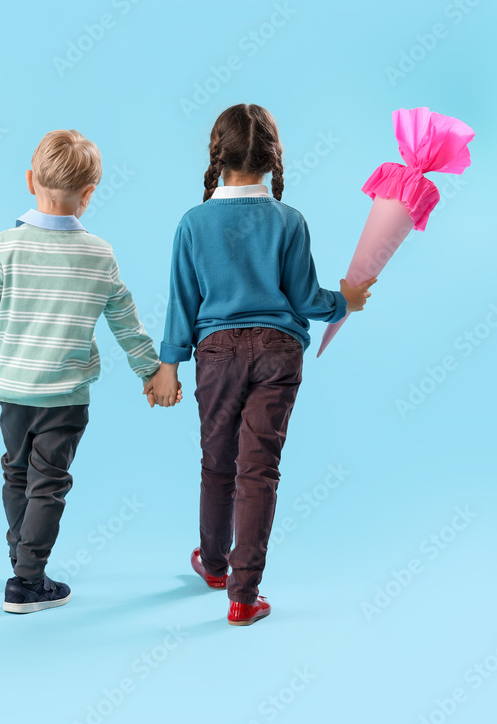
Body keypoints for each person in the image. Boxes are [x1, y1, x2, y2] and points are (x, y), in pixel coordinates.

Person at [0, 129, 179, 614]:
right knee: (47, 482)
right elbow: (125, 322)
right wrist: (152, 372)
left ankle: (21, 563)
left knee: (16, 474)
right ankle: (28, 580)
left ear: (31, 180)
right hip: (66, 398)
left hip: (13, 393)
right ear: (89, 194)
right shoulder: (99, 254)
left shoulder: (6, 245)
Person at [146, 104, 376, 626]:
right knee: (259, 470)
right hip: (279, 351)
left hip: (217, 356)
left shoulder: (193, 222)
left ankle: (212, 563)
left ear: (216, 155)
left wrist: (168, 365)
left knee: (216, 462)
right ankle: (244, 598)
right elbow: (305, 298)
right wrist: (346, 301)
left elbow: (181, 300)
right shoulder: (289, 221)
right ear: (273, 159)